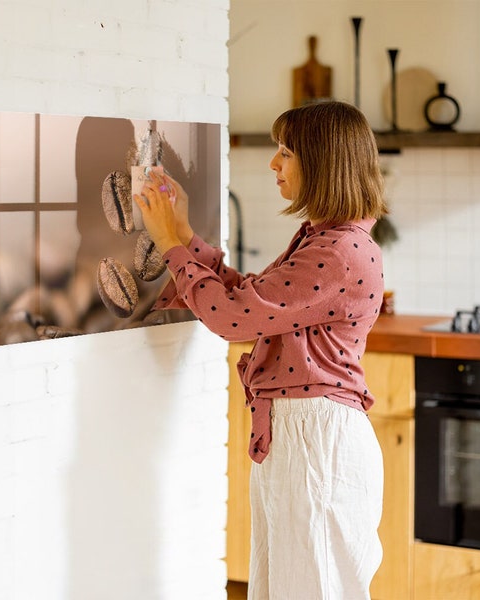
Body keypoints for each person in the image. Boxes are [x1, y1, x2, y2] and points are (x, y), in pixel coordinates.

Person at [135, 100, 387, 600]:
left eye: (286, 152)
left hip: (316, 440)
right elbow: (252, 298)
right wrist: (184, 235)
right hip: (303, 435)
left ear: (323, 162)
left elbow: (233, 318)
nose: (274, 163)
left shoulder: (338, 252)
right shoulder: (325, 240)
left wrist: (169, 245)